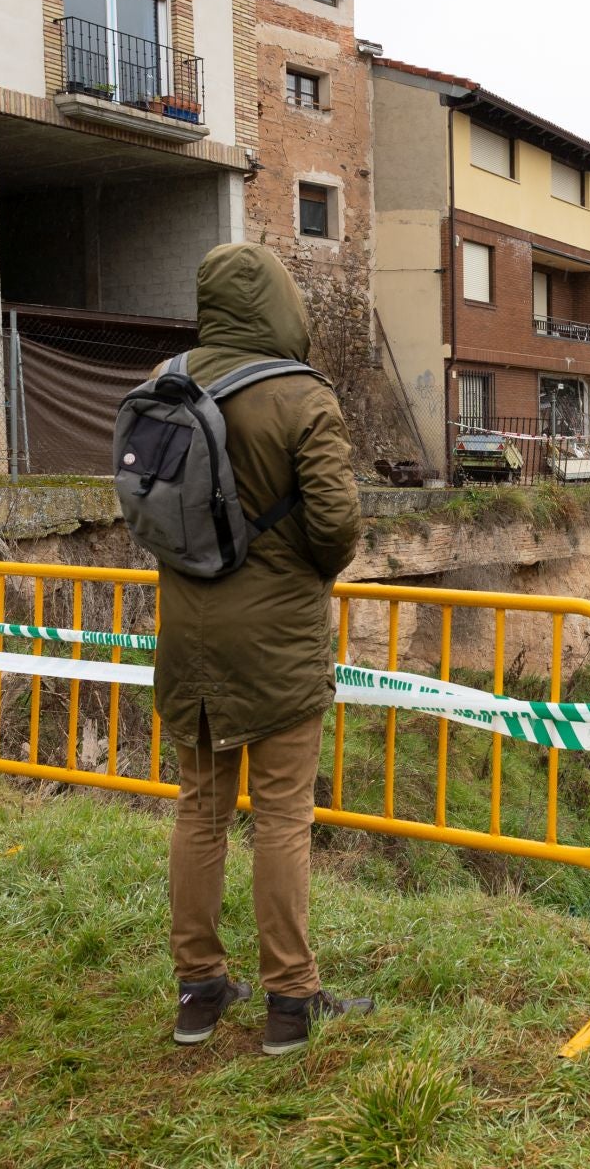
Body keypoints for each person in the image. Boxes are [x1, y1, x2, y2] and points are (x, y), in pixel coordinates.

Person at [156, 242, 371, 1055]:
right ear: (281, 302)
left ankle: (198, 994)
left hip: (188, 638)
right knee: (281, 817)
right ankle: (290, 1001)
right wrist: (304, 572)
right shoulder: (301, 396)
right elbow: (336, 526)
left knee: (199, 813)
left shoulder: (164, 380)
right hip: (277, 640)